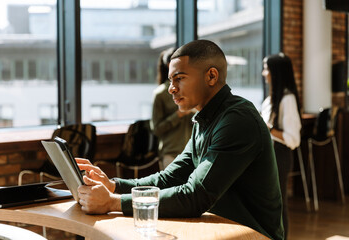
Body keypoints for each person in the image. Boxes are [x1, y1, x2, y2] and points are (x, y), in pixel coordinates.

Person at [76, 40, 284, 240]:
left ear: (211, 76)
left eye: (180, 78)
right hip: (222, 232)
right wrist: (113, 186)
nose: (171, 88)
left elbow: (195, 196)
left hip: (253, 236)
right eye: (170, 80)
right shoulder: (203, 121)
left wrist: (113, 203)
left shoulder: (238, 119)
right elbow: (169, 178)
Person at [261, 53, 301, 239]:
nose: (263, 73)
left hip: (280, 156)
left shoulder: (287, 100)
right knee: (267, 204)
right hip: (268, 155)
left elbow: (293, 139)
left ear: (275, 72)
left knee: (279, 204)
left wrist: (266, 128)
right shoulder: (270, 100)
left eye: (266, 68)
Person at [151, 47, 195, 169]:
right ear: (170, 65)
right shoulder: (160, 94)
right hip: (170, 154)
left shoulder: (192, 89)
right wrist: (178, 115)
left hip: (192, 153)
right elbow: (156, 129)